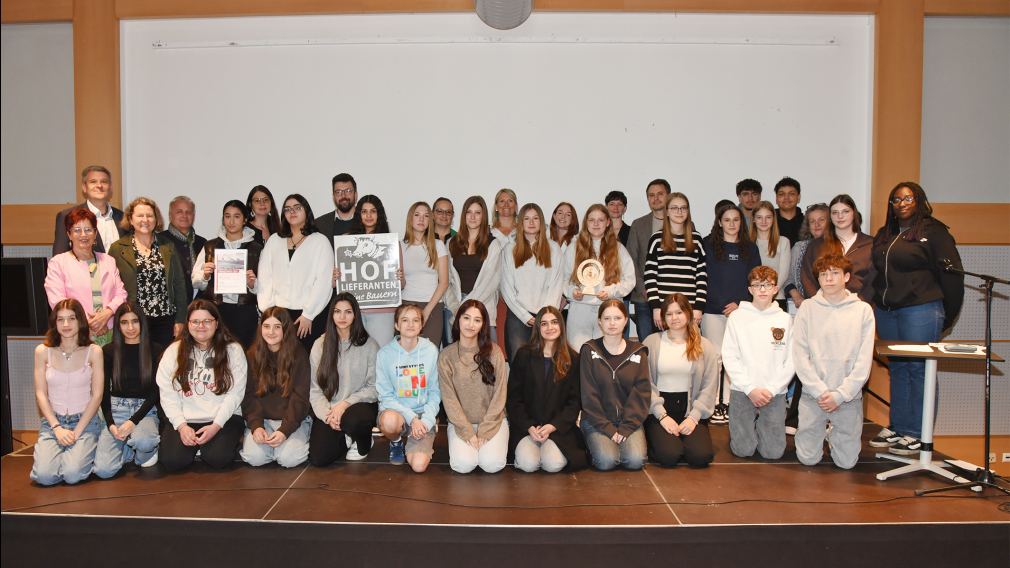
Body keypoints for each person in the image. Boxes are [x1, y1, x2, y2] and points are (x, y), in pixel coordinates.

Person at [869, 181, 963, 455]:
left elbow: (953, 277)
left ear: (919, 200)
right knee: (898, 369)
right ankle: (899, 427)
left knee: (920, 371)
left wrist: (946, 316)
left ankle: (918, 434)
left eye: (908, 198)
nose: (902, 203)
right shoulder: (885, 234)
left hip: (921, 309)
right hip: (888, 312)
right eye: (896, 200)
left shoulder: (934, 232)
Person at [793, 254, 875, 469]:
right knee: (808, 459)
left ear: (846, 277)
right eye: (823, 274)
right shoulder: (807, 309)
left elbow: (864, 361)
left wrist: (841, 394)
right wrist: (819, 391)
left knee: (846, 463)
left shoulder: (862, 310)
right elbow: (800, 356)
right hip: (814, 396)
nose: (828, 278)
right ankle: (817, 432)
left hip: (847, 397)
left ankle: (834, 434)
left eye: (835, 273)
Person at [157, 300, 247, 472]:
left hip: (222, 419)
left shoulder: (233, 350)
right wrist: (182, 426)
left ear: (217, 323)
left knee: (218, 458)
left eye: (207, 321)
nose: (201, 326)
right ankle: (196, 447)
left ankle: (209, 447)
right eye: (195, 321)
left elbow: (236, 394)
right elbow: (167, 394)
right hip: (187, 418)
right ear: (188, 324)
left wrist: (216, 426)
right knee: (172, 461)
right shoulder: (173, 351)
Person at [721, 266, 795, 460]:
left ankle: (762, 428)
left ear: (775, 289)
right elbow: (729, 356)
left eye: (767, 285)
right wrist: (750, 388)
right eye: (757, 285)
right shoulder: (737, 317)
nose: (762, 290)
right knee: (743, 450)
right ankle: (743, 430)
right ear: (750, 289)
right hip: (743, 390)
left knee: (773, 453)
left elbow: (792, 360)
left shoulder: (785, 319)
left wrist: (772, 388)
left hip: (774, 392)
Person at [30, 299, 104, 485]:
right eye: (60, 319)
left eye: (71, 318)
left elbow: (97, 396)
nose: (66, 324)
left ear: (80, 321)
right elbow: (41, 393)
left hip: (85, 423)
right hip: (53, 424)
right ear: (54, 323)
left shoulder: (94, 351)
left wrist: (77, 432)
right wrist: (57, 428)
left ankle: (89, 451)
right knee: (45, 477)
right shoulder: (42, 351)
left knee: (72, 475)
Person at [642, 293, 719, 467]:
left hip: (690, 409)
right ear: (663, 318)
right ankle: (656, 437)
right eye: (669, 314)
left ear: (688, 313)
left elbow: (710, 386)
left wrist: (693, 418)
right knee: (669, 456)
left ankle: (682, 440)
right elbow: (645, 384)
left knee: (701, 457)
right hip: (659, 410)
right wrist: (662, 416)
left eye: (679, 312)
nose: (674, 318)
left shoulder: (704, 345)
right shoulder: (651, 342)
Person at [507, 306, 586, 472]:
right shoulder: (523, 355)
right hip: (527, 427)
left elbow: (574, 402)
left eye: (554, 322)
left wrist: (552, 426)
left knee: (553, 464)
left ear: (561, 326)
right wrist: (529, 426)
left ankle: (546, 451)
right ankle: (530, 451)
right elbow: (514, 398)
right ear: (538, 328)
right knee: (528, 465)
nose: (550, 327)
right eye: (544, 324)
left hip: (557, 429)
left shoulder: (573, 359)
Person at [702, 203, 761, 424]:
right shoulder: (708, 245)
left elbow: (755, 279)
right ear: (719, 222)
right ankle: (713, 403)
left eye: (736, 220)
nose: (732, 224)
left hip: (741, 312)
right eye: (727, 220)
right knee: (715, 358)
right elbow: (703, 278)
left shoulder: (750, 248)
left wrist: (741, 304)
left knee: (736, 358)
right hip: (712, 311)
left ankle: (729, 402)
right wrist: (720, 304)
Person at [438, 300, 510, 473]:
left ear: (483, 324)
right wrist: (468, 432)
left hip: (493, 421)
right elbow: (449, 399)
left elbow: (500, 395)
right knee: (463, 466)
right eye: (467, 318)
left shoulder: (495, 352)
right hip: (461, 424)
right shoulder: (446, 356)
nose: (471, 324)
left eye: (477, 320)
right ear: (458, 320)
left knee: (491, 465)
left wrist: (484, 430)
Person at [308, 293, 380, 465]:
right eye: (337, 311)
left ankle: (363, 440)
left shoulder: (369, 345)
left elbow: (374, 387)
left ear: (355, 315)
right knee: (319, 458)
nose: (342, 317)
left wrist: (345, 404)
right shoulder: (320, 345)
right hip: (330, 409)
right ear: (331, 315)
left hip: (358, 406)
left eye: (348, 312)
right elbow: (314, 390)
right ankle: (345, 436)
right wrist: (328, 416)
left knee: (353, 420)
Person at [579, 300, 651, 471]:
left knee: (635, 461)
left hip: (628, 421)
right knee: (606, 462)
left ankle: (620, 443)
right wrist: (609, 430)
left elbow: (641, 394)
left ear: (626, 320)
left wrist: (626, 428)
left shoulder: (638, 351)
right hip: (597, 421)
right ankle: (593, 445)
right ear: (599, 321)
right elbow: (588, 395)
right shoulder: (589, 350)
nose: (612, 323)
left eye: (617, 318)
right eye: (607, 318)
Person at [108, 197, 189, 347]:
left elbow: (179, 284)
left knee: (162, 363)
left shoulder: (167, 246)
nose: (145, 219)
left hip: (165, 320)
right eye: (140, 215)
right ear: (130, 220)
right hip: (134, 321)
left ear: (156, 219)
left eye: (150, 215)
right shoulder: (118, 249)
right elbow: (110, 286)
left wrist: (180, 320)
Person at [258, 194, 334, 352]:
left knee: (305, 361)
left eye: (297, 208)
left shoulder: (320, 241)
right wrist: (268, 312)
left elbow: (323, 281)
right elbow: (265, 277)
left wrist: (309, 314)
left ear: (306, 210)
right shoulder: (274, 241)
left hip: (308, 315)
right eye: (288, 209)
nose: (292, 212)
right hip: (277, 313)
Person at [94, 302, 163, 477]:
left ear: (142, 323)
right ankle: (126, 448)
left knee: (144, 442)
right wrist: (110, 424)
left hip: (145, 411)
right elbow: (103, 392)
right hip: (117, 410)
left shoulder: (156, 350)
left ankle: (140, 447)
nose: (130, 327)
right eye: (124, 322)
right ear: (118, 325)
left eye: (135, 321)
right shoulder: (108, 351)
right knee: (103, 471)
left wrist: (133, 421)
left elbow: (156, 391)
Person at [240, 307, 312, 468]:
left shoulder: (298, 354)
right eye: (266, 326)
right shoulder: (252, 355)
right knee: (254, 459)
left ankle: (297, 437)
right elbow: (249, 396)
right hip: (263, 420)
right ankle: (267, 446)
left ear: (285, 329)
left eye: (277, 327)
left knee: (289, 460)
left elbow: (300, 397)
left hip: (291, 420)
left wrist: (285, 430)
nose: (271, 332)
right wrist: (256, 426)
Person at [44, 208, 127, 346]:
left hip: (110, 332)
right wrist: (87, 324)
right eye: (77, 230)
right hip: (75, 334)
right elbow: (57, 301)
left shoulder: (108, 261)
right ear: (69, 234)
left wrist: (106, 314)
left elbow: (121, 293)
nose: (83, 234)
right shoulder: (58, 263)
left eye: (88, 229)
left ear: (95, 233)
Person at [376, 304, 442, 472]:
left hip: (422, 414)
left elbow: (435, 392)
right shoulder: (385, 354)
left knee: (419, 467)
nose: (410, 325)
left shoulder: (431, 350)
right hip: (396, 412)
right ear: (397, 325)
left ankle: (427, 430)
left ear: (421, 325)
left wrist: (425, 421)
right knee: (389, 422)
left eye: (415, 320)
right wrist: (412, 419)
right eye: (405, 320)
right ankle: (396, 442)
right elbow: (386, 397)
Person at [562, 204, 635, 349]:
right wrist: (572, 292)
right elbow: (563, 278)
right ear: (586, 222)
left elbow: (630, 280)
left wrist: (611, 291)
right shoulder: (574, 247)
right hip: (580, 311)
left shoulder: (618, 249)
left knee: (605, 359)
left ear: (608, 222)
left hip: (608, 312)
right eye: (591, 220)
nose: (596, 224)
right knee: (579, 356)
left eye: (600, 220)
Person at [192, 200, 262, 348]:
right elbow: (195, 281)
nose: (231, 221)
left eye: (237, 216)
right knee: (216, 355)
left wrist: (252, 284)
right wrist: (205, 275)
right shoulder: (210, 246)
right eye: (227, 216)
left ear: (245, 220)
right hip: (216, 311)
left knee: (244, 354)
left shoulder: (256, 249)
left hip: (244, 312)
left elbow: (265, 285)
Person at [500, 203, 564, 360]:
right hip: (518, 316)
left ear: (541, 222)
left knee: (546, 364)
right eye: (527, 218)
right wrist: (524, 316)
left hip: (546, 317)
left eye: (535, 218)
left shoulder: (554, 249)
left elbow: (556, 285)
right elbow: (506, 288)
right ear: (520, 223)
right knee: (519, 364)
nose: (531, 222)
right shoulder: (510, 249)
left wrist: (545, 316)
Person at [644, 192, 707, 330]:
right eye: (674, 208)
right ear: (667, 211)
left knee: (691, 351)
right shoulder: (656, 239)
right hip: (664, 310)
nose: (679, 212)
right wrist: (655, 308)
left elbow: (702, 277)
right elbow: (650, 277)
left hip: (689, 309)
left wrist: (699, 308)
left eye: (683, 208)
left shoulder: (696, 239)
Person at [445, 196, 503, 341]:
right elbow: (446, 280)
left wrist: (467, 307)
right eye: (469, 212)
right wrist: (456, 307)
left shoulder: (493, 244)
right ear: (464, 215)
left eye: (477, 213)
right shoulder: (451, 243)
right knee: (456, 359)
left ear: (483, 217)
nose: (472, 216)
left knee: (487, 359)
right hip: (455, 308)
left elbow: (492, 282)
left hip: (483, 307)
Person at [343, 194, 397, 346]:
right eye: (364, 211)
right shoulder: (345, 241)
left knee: (381, 353)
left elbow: (402, 284)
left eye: (373, 211)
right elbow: (337, 282)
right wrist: (336, 277)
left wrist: (398, 277)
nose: (368, 215)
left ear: (379, 214)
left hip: (383, 311)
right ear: (358, 214)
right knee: (355, 354)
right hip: (354, 309)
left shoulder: (391, 243)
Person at [800, 194, 875, 303]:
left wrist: (859, 303)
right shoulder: (816, 245)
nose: (840, 216)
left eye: (845, 211)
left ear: (854, 213)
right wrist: (819, 303)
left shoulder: (870, 244)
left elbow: (873, 280)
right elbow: (807, 278)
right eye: (835, 212)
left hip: (857, 308)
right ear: (830, 216)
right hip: (824, 308)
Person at [626, 179, 671, 341]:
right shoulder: (638, 225)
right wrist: (642, 287)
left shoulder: (684, 223)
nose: (656, 198)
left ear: (669, 196)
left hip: (672, 299)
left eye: (660, 194)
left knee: (672, 346)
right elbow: (631, 259)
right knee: (646, 345)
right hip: (644, 298)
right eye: (651, 195)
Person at [401, 201, 450, 345]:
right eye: (417, 215)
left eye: (426, 216)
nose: (421, 219)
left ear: (430, 220)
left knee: (430, 353)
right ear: (410, 218)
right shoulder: (399, 246)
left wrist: (427, 310)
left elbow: (444, 282)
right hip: (407, 304)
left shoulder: (438, 245)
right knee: (407, 354)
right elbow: (401, 283)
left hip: (433, 306)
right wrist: (399, 279)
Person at [52, 165, 124, 256]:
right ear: (84, 187)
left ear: (110, 187)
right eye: (93, 182)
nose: (99, 185)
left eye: (104, 182)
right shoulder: (68, 215)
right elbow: (59, 257)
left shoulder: (123, 217)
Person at [783, 203, 829, 314]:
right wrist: (796, 295)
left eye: (821, 220)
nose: (816, 224)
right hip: (804, 308)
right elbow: (788, 279)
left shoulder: (840, 247)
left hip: (832, 308)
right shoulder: (799, 247)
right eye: (812, 221)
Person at [159, 196, 207, 301]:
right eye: (179, 212)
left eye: (188, 212)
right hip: (170, 304)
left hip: (198, 304)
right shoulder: (159, 241)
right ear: (170, 215)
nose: (184, 215)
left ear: (193, 216)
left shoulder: (203, 243)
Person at [751, 201, 791, 306]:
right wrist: (758, 293)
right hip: (752, 299)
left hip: (776, 298)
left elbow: (783, 274)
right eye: (759, 217)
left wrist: (767, 292)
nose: (764, 221)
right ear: (753, 220)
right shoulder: (747, 244)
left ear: (773, 219)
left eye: (768, 217)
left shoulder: (783, 242)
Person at [316, 172, 358, 239]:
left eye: (348, 191)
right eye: (338, 192)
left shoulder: (369, 220)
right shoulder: (319, 225)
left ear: (355, 194)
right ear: (333, 196)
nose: (343, 195)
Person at [774, 177, 804, 246]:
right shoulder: (768, 223)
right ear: (776, 198)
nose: (786, 198)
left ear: (798, 198)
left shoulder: (808, 223)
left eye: (791, 194)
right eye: (781, 194)